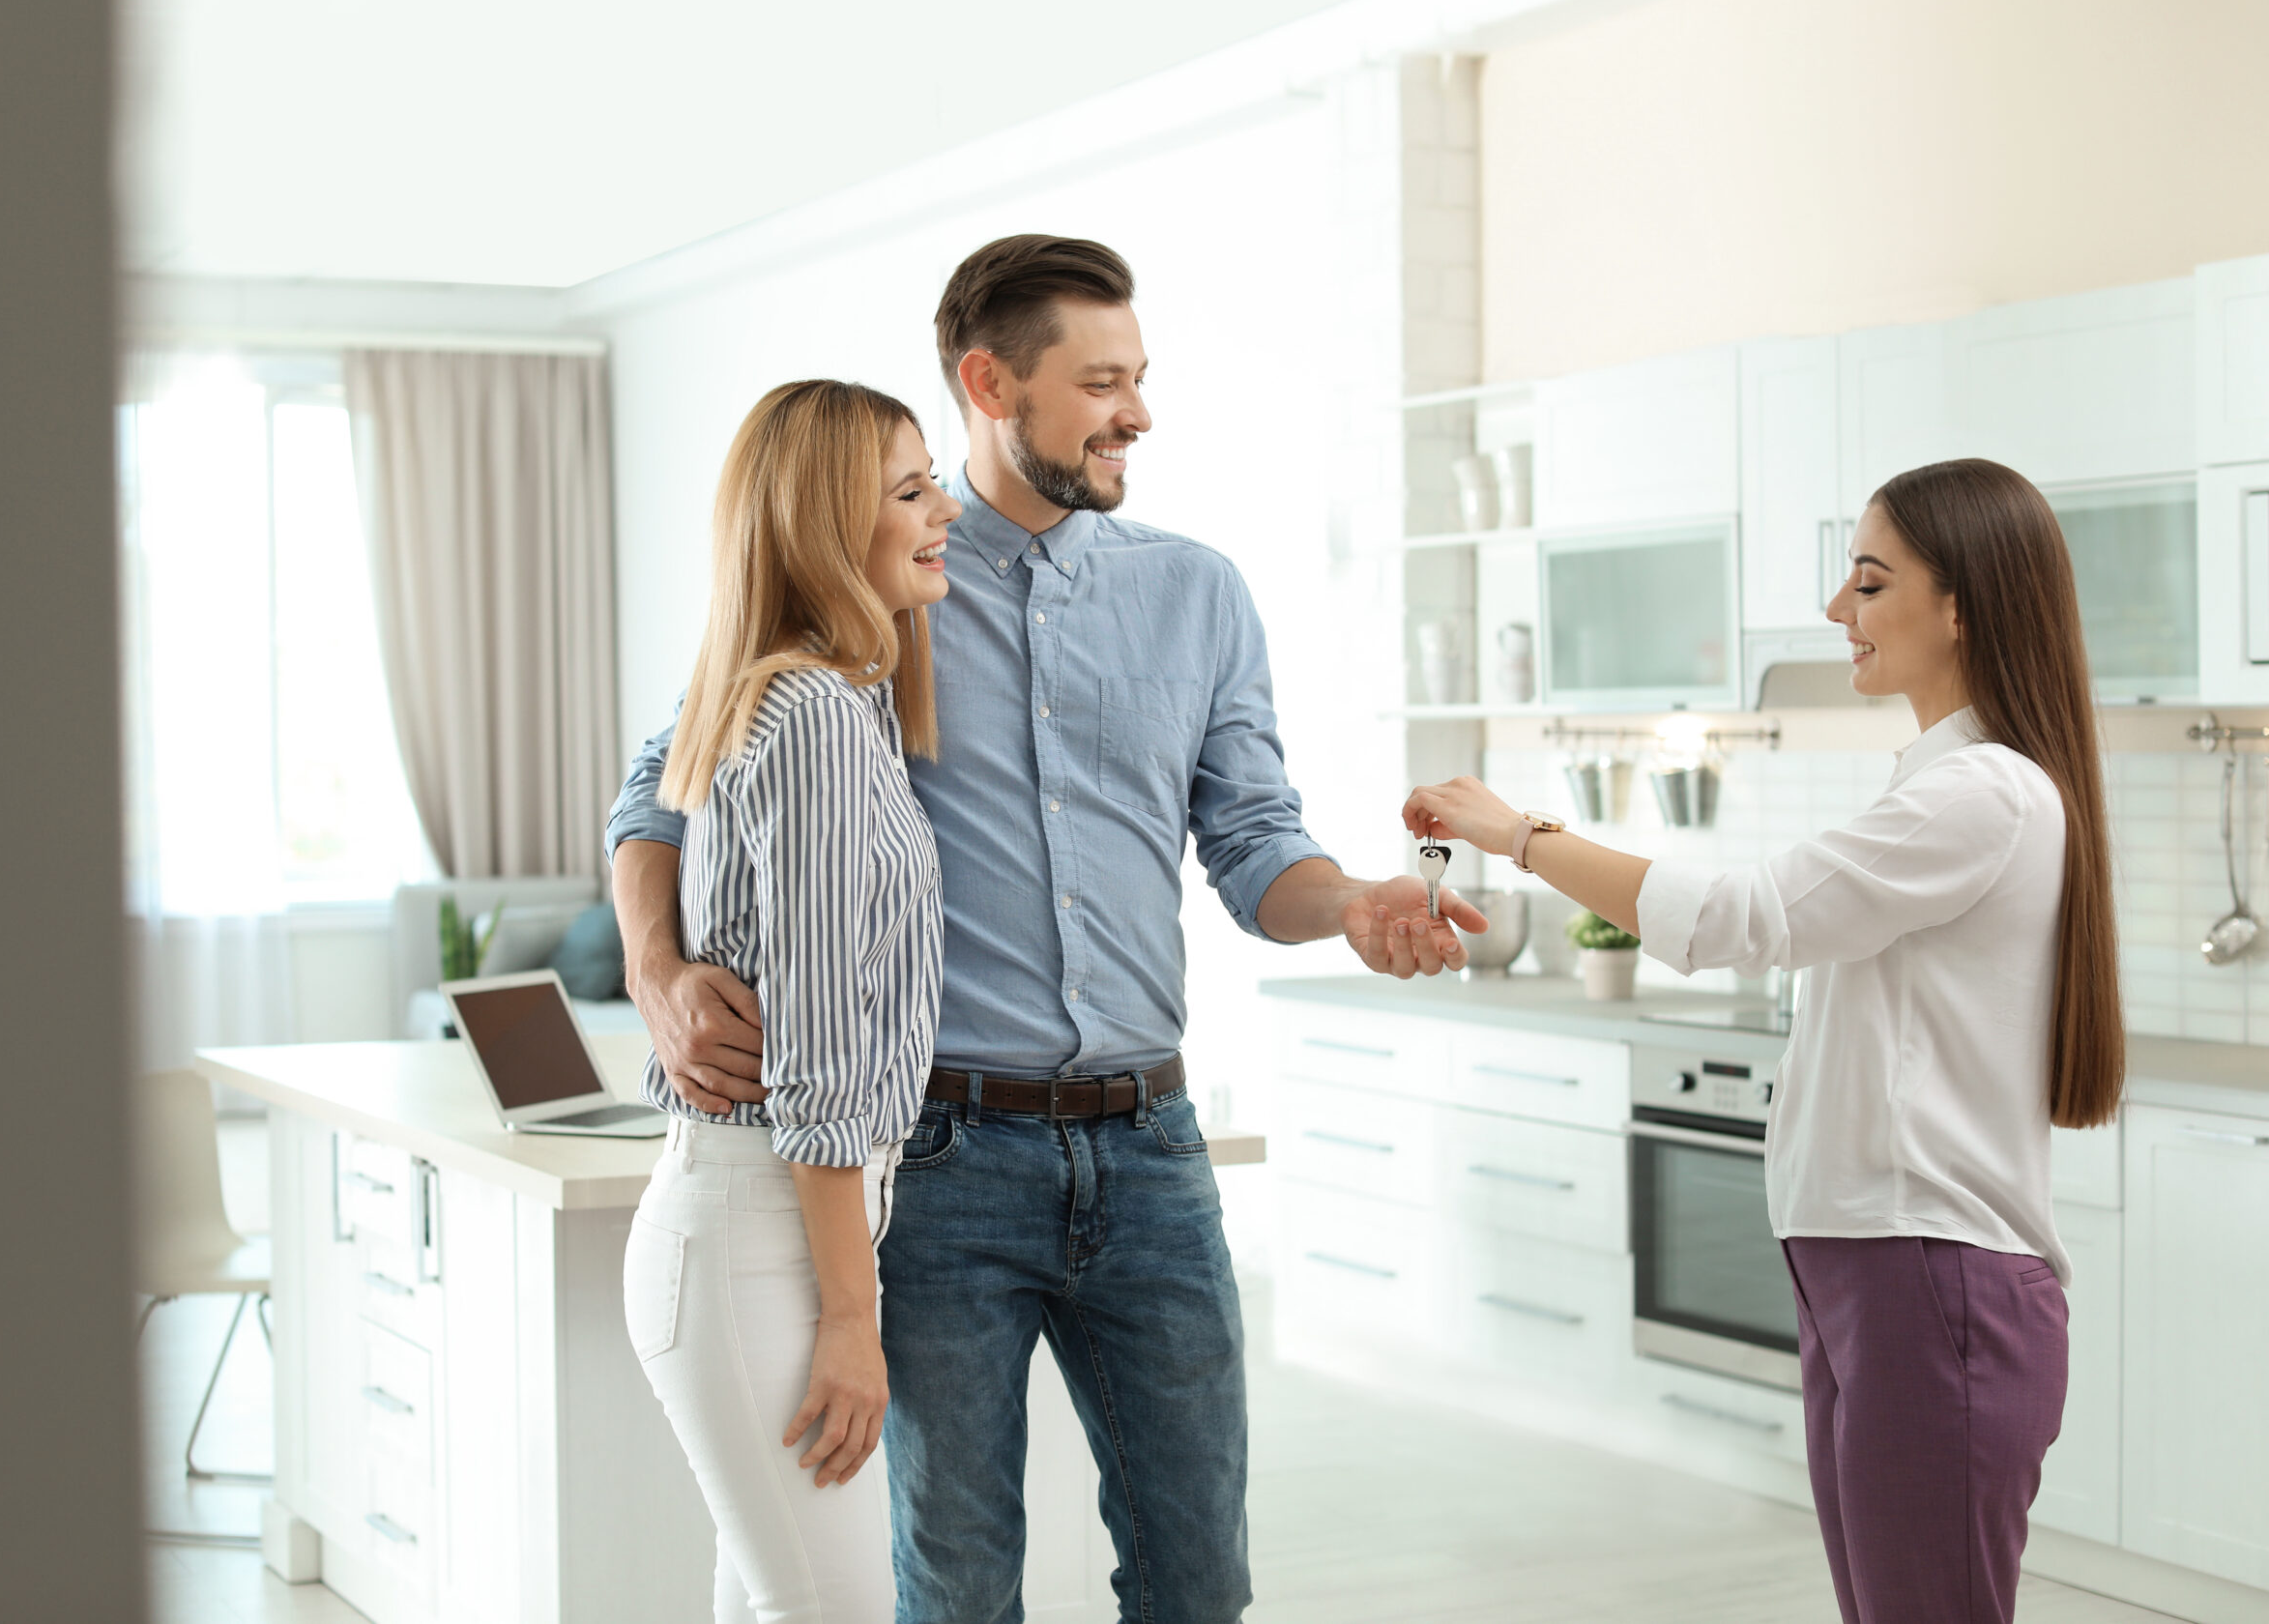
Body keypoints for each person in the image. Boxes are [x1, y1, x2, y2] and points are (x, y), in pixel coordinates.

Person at [609, 235, 1486, 1624]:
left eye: (1141, 378)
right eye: (1102, 382)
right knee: (953, 1583)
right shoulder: (872, 584)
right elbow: (665, 785)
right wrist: (657, 969)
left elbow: (1257, 845)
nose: (1138, 412)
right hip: (944, 1159)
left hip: (1151, 1153)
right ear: (990, 383)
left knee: (1200, 1577)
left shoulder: (1196, 592)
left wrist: (1356, 904)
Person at [1402, 456, 2124, 1624]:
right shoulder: (1944, 784)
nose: (1839, 609)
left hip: (1928, 1279)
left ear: (1960, 605)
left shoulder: (1980, 794)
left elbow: (1744, 919)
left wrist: (1517, 831)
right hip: (1871, 1270)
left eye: (1869, 581)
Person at [620, 378, 962, 1623]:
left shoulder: (829, 693)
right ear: (824, 522)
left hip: (761, 1225)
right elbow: (819, 1062)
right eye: (911, 490)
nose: (945, 515)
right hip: (759, 1229)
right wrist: (851, 1322)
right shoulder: (813, 712)